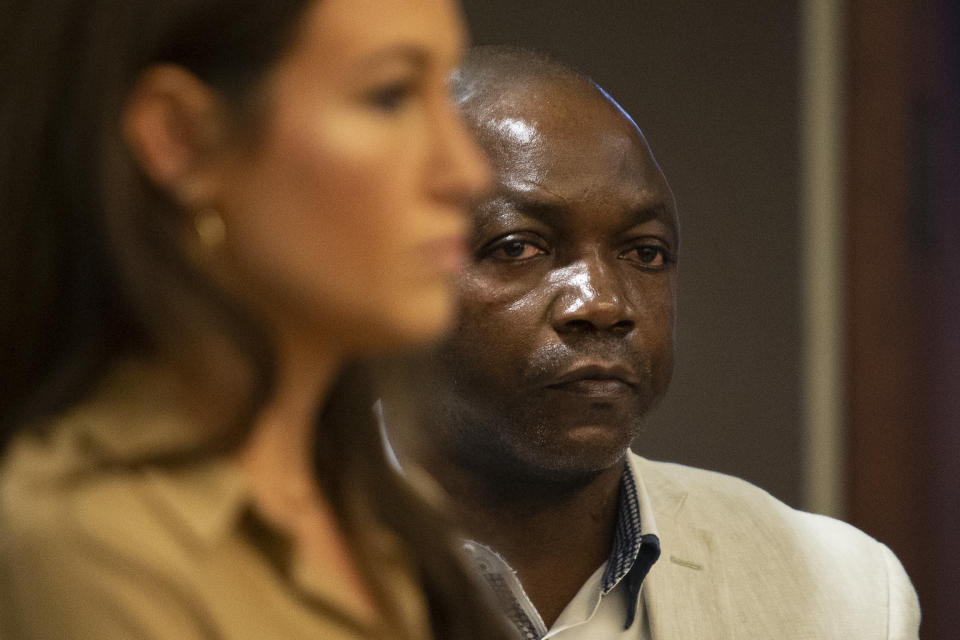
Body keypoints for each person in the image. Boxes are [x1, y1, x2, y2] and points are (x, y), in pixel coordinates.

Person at [0, 2, 515, 639]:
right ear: (182, 137)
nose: (466, 172)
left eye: (444, 91)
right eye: (389, 96)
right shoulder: (90, 540)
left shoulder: (387, 512)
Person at [379, 46, 921, 639]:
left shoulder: (846, 594)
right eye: (519, 246)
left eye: (645, 253)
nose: (604, 303)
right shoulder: (266, 573)